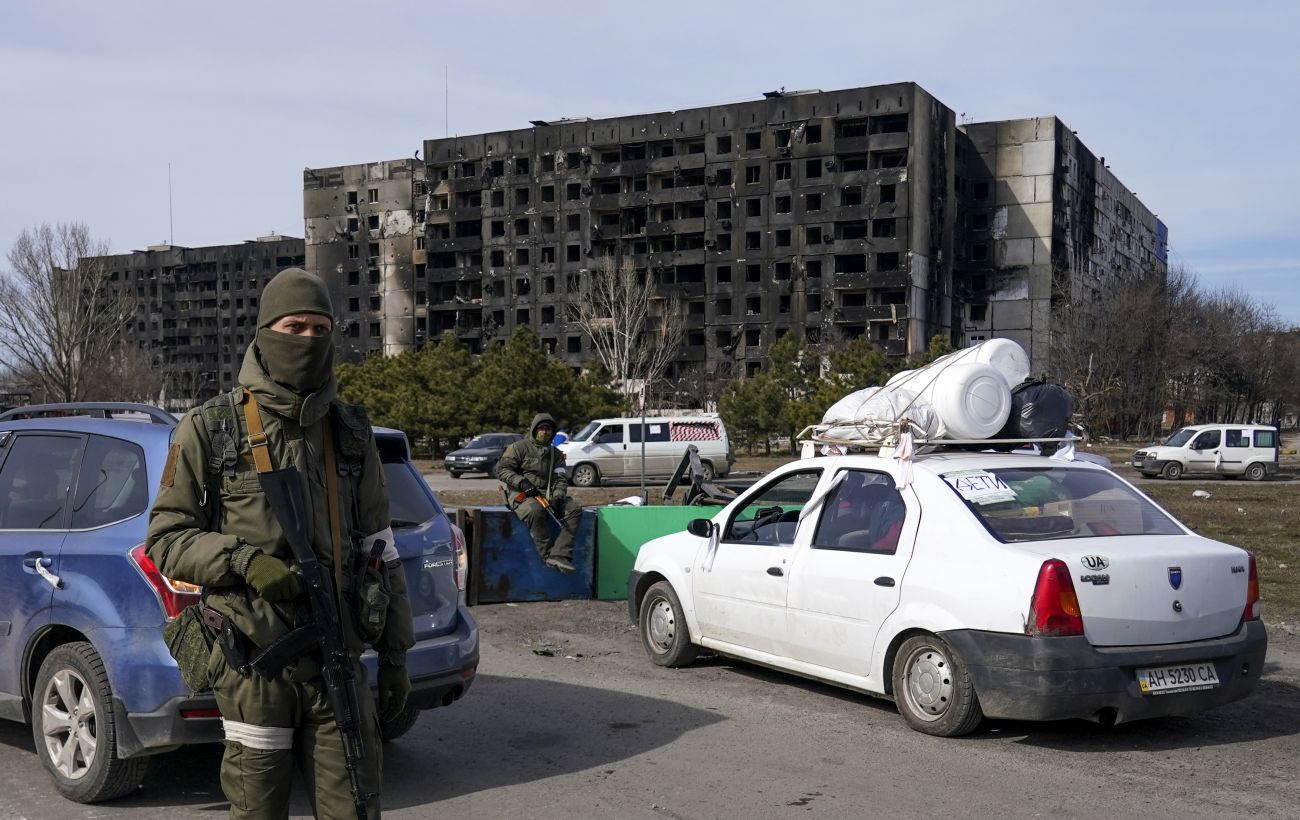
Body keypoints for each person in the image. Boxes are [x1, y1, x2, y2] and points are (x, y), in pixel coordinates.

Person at [147, 268, 412, 820]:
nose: (308, 339)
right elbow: (167, 539)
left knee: (355, 808)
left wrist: (395, 654)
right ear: (267, 332)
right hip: (254, 664)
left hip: (337, 657)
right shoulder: (211, 427)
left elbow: (381, 547)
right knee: (259, 810)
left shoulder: (350, 431)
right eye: (295, 327)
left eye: (321, 328)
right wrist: (242, 560)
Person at [495, 413, 583, 572]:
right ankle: (547, 555)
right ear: (534, 429)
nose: (544, 432)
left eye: (548, 429)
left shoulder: (556, 454)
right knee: (535, 511)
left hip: (546, 494)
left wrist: (558, 495)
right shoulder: (518, 448)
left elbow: (560, 478)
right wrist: (522, 482)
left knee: (574, 509)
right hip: (521, 493)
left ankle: (560, 554)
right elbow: (502, 470)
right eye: (541, 428)